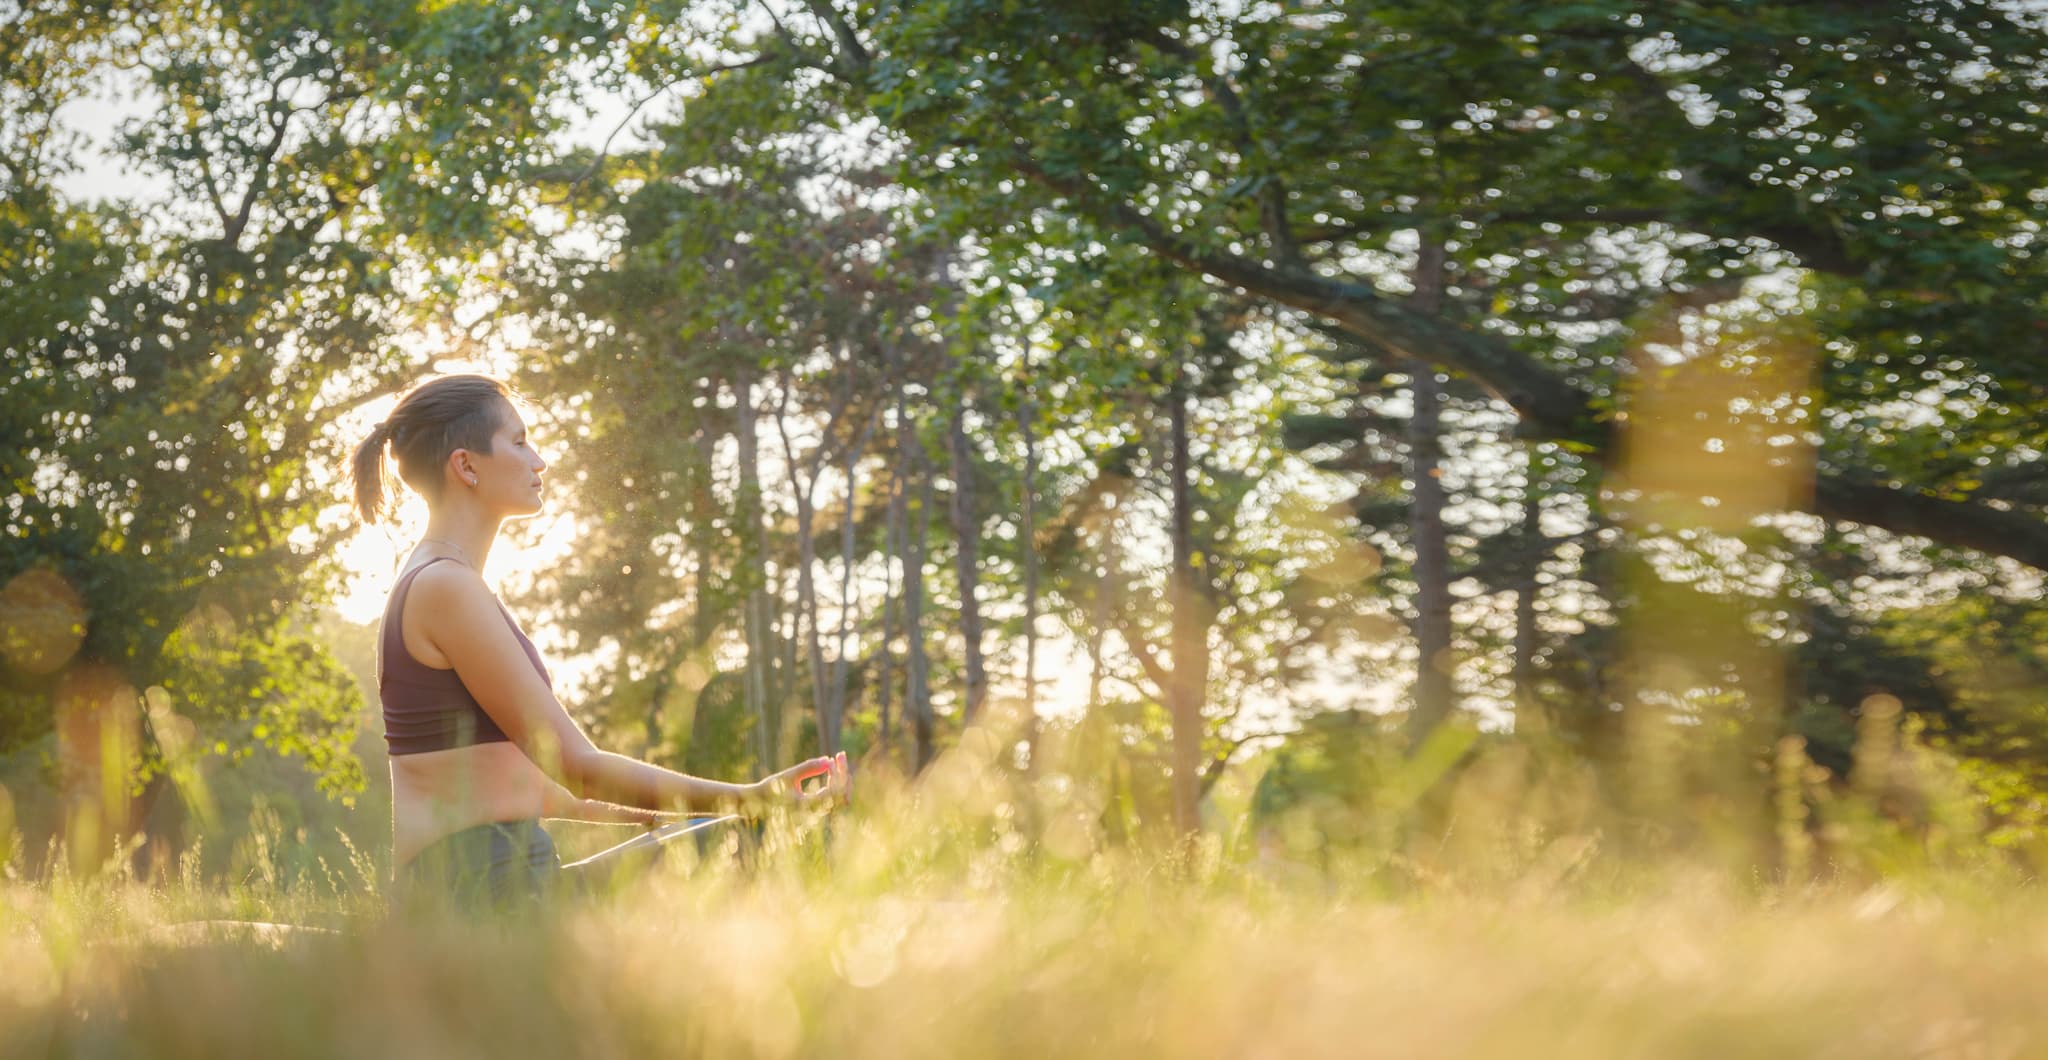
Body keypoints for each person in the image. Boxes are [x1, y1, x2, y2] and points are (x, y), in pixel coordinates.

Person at [349, 374, 844, 909]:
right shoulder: (446, 586)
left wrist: (692, 812)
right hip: (486, 892)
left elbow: (536, 791)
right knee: (775, 834)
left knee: (742, 829)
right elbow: (579, 767)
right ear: (466, 466)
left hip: (490, 879)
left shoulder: (439, 579)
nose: (539, 461)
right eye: (519, 442)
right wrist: (749, 799)